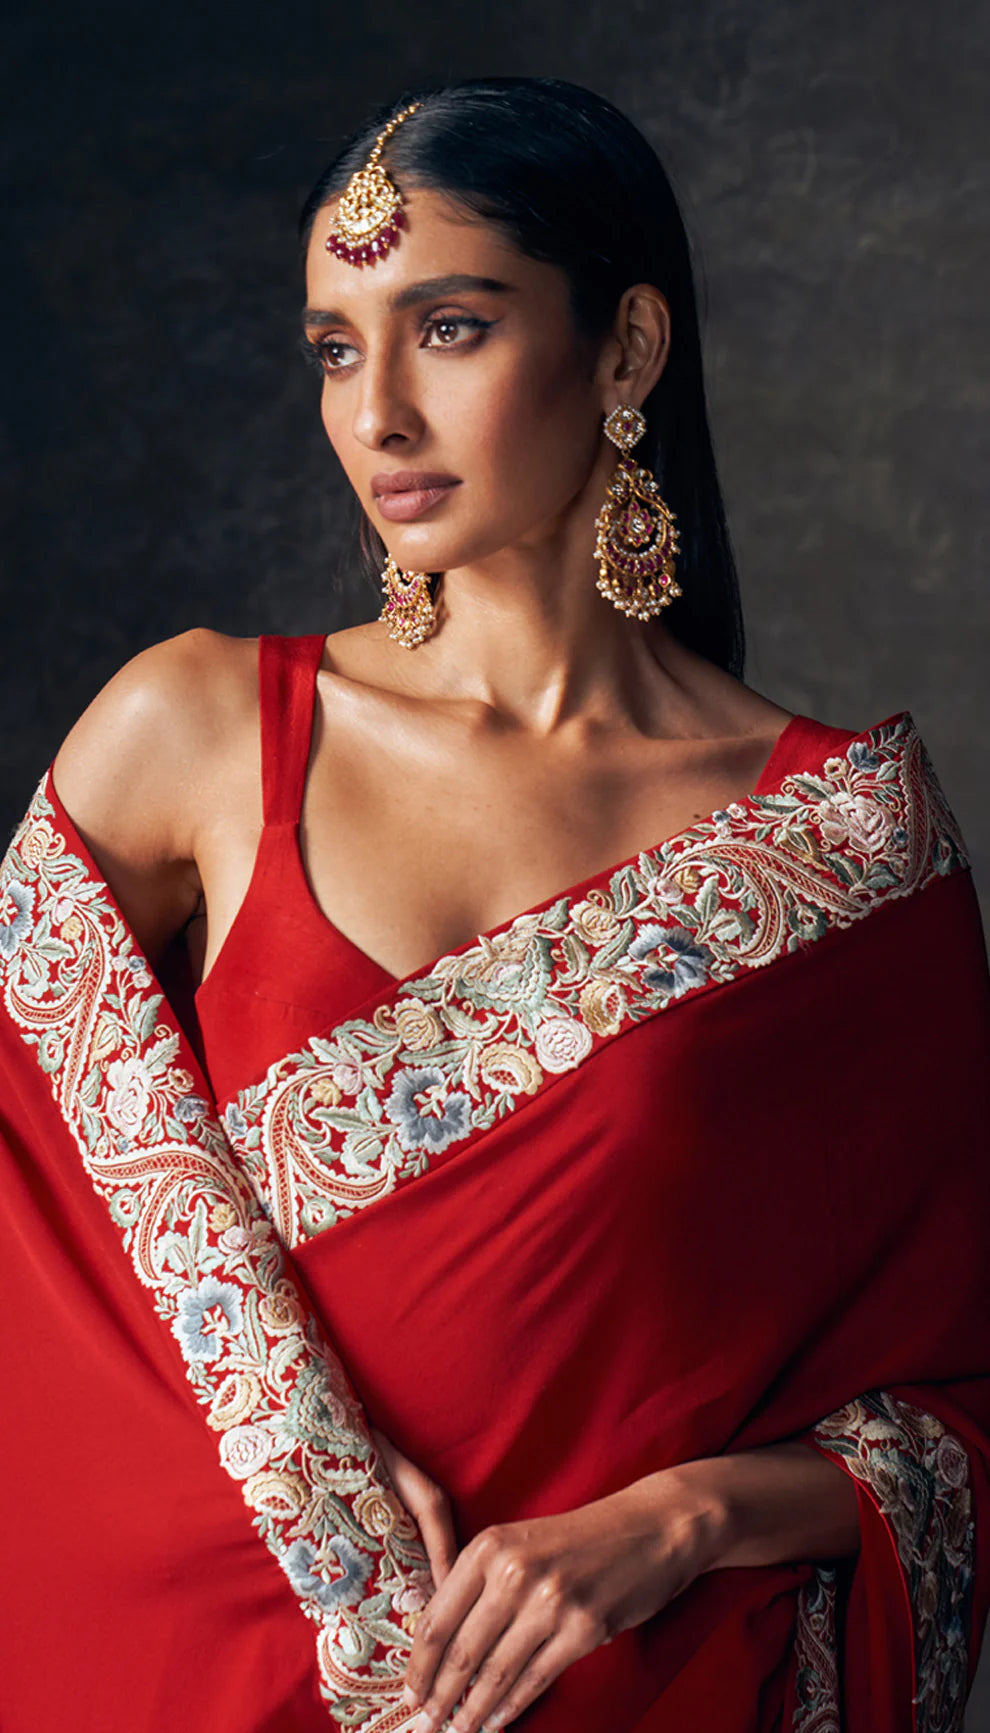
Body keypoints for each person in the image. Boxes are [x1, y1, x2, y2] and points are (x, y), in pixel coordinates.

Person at [1, 75, 988, 1733]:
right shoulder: (194, 729)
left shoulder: (841, 855)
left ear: (624, 351)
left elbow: (960, 1407)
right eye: (333, 345)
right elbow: (30, 1223)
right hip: (222, 1667)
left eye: (446, 328)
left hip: (637, 1691)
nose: (374, 411)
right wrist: (291, 1474)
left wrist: (677, 1519)